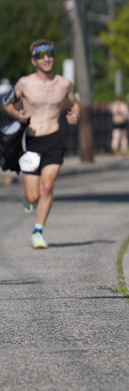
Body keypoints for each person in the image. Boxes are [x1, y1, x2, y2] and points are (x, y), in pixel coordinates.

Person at [3, 40, 80, 249]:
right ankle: (28, 199)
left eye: (50, 54)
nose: (46, 58)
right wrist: (18, 115)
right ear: (34, 60)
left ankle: (38, 231)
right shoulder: (25, 83)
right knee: (33, 195)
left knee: (47, 186)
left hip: (54, 139)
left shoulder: (64, 84)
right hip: (31, 142)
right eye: (41, 55)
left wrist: (75, 115)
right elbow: (6, 103)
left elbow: (75, 103)